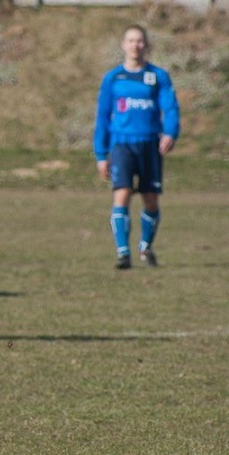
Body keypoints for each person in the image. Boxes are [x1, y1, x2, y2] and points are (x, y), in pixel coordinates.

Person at [94, 24, 180, 270]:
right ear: (124, 45)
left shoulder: (158, 76)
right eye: (131, 40)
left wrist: (170, 132)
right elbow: (102, 117)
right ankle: (123, 253)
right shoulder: (113, 78)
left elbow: (171, 108)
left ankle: (145, 247)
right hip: (122, 144)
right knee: (121, 193)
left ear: (146, 45)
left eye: (140, 41)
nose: (135, 45)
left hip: (149, 144)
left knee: (150, 199)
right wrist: (101, 154)